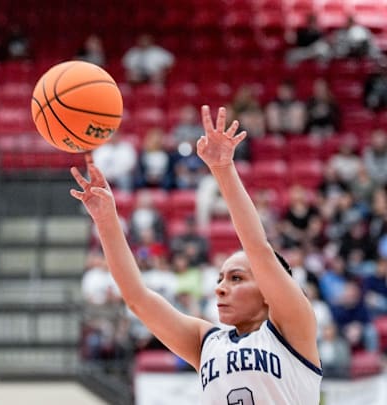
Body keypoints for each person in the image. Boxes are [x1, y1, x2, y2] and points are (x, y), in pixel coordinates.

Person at [70, 105, 321, 403]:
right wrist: (106, 220)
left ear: (269, 289)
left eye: (236, 278)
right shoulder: (206, 342)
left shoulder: (293, 327)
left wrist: (222, 169)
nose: (220, 287)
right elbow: (137, 298)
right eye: (221, 278)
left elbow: (258, 248)